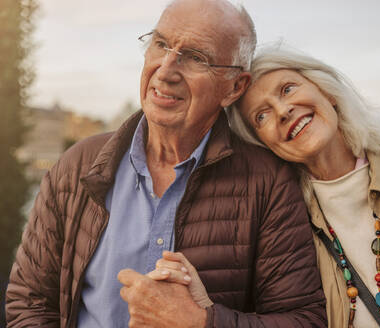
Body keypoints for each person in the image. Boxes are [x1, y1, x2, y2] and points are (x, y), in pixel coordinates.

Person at [5, 2, 327, 327]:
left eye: (196, 57)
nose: (166, 69)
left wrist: (202, 321)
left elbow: (304, 320)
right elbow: (28, 303)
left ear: (234, 87)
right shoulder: (76, 166)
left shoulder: (268, 183)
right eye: (160, 44)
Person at [155, 45, 380, 328]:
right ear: (262, 144)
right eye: (262, 116)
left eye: (287, 89)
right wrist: (206, 308)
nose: (284, 111)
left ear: (326, 92)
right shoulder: (280, 220)